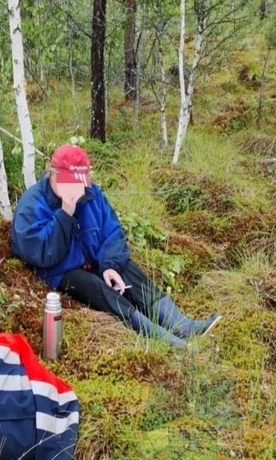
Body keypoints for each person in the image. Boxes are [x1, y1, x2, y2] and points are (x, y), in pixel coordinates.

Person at [11, 144, 221, 348]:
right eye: (70, 181)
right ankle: (160, 336)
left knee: (128, 270)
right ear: (53, 175)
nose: (77, 188)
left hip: (93, 261)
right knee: (95, 287)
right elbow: (43, 254)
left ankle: (182, 325)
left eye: (80, 181)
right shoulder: (32, 204)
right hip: (60, 270)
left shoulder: (92, 194)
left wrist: (110, 265)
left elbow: (112, 233)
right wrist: (65, 213)